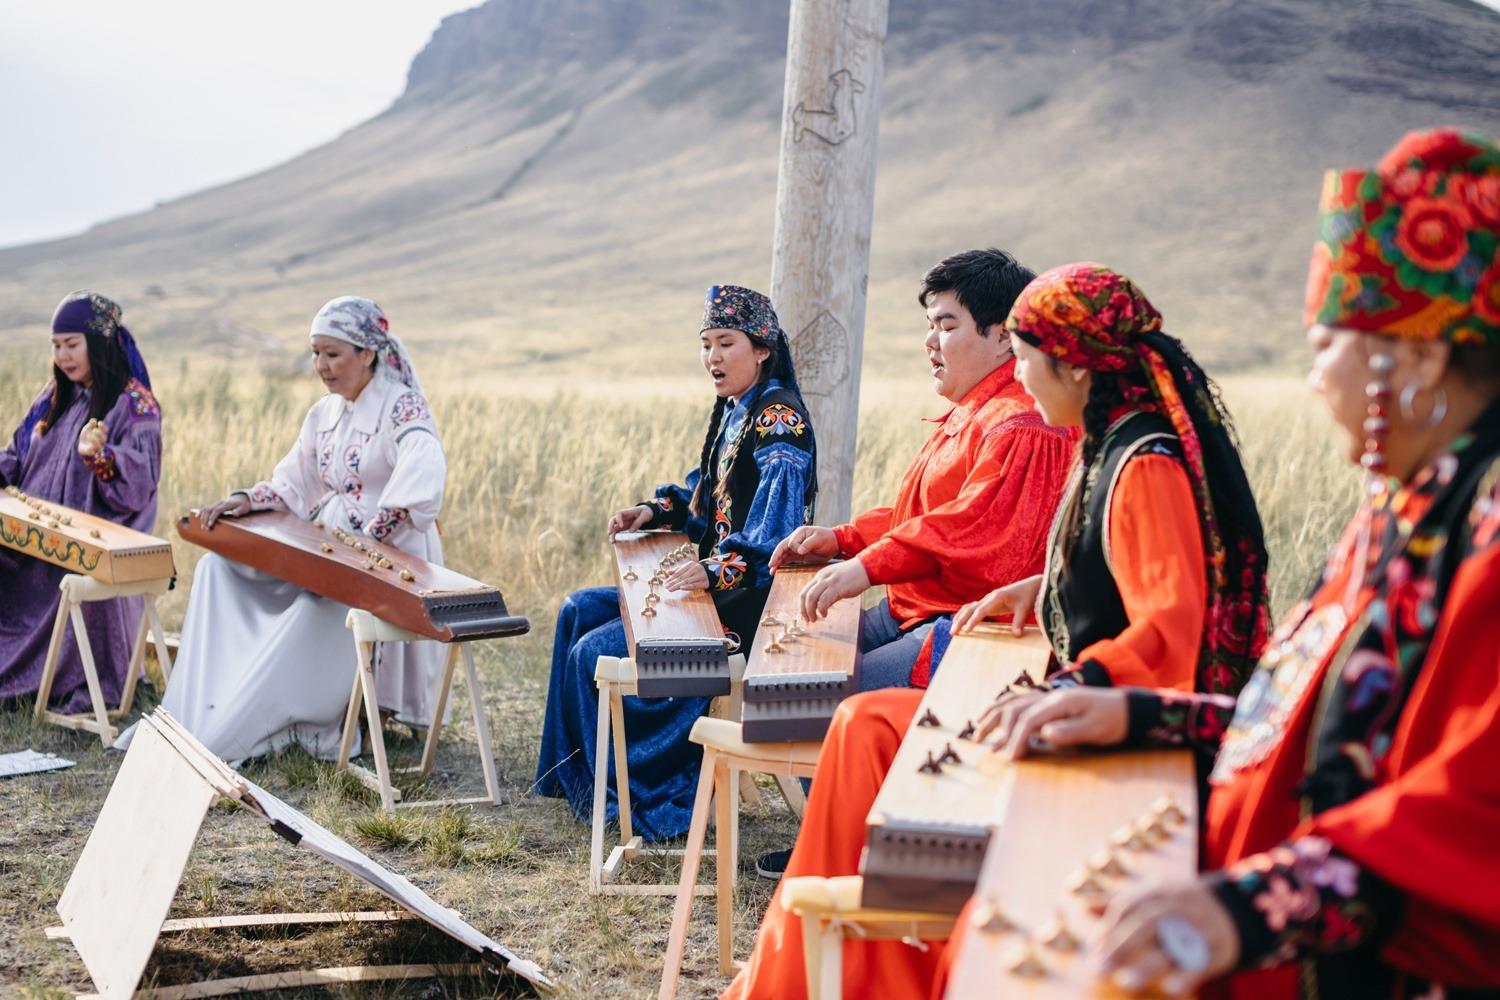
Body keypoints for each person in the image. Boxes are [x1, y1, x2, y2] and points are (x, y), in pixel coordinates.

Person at [954, 127, 1500, 1000]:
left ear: (1422, 356)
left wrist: (1245, 909)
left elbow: (1469, 816)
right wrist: (1142, 715)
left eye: (1326, 347)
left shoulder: (1484, 534)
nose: (1316, 379)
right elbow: (1294, 731)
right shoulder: (1401, 519)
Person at [723, 262, 1271, 999]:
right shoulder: (1109, 445)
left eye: (1026, 353)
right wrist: (1043, 591)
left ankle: (831, 966)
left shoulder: (1139, 462)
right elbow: (1119, 574)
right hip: (1080, 694)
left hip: (1111, 719)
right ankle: (818, 961)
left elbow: (1172, 623)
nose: (1019, 372)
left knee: (860, 721)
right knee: (859, 725)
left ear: (1074, 366)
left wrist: (1081, 682)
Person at [534, 285, 817, 842]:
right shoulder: (737, 411)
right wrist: (652, 510)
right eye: (706, 344)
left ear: (762, 348)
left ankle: (637, 801)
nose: (712, 357)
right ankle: (580, 781)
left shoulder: (778, 420)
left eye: (726, 343)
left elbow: (775, 535)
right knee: (577, 611)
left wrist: (715, 571)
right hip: (716, 591)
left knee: (592, 651)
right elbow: (705, 493)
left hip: (749, 607)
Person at [127, 296, 446, 764]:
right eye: (315, 353)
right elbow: (294, 482)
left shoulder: (403, 408)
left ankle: (309, 720)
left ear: (368, 353)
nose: (321, 366)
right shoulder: (324, 414)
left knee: (311, 608)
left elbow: (423, 472)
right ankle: (213, 705)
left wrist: (373, 536)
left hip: (389, 557)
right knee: (218, 569)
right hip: (332, 550)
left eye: (332, 354)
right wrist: (245, 500)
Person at [770, 248, 1075, 694]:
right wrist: (844, 539)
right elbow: (927, 515)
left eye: (947, 327)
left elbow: (971, 530)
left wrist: (866, 567)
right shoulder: (976, 410)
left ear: (1003, 337)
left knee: (815, 695)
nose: (930, 342)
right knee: (791, 657)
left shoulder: (1023, 427)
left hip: (969, 624)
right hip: (914, 606)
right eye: (930, 326)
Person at [0, 291, 161, 713]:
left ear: (100, 343)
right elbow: (18, 454)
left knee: (79, 588)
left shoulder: (134, 406)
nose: (63, 356)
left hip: (86, 549)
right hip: (29, 542)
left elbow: (138, 489)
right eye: (56, 346)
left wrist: (100, 456)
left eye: (72, 344)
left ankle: (64, 679)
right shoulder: (55, 395)